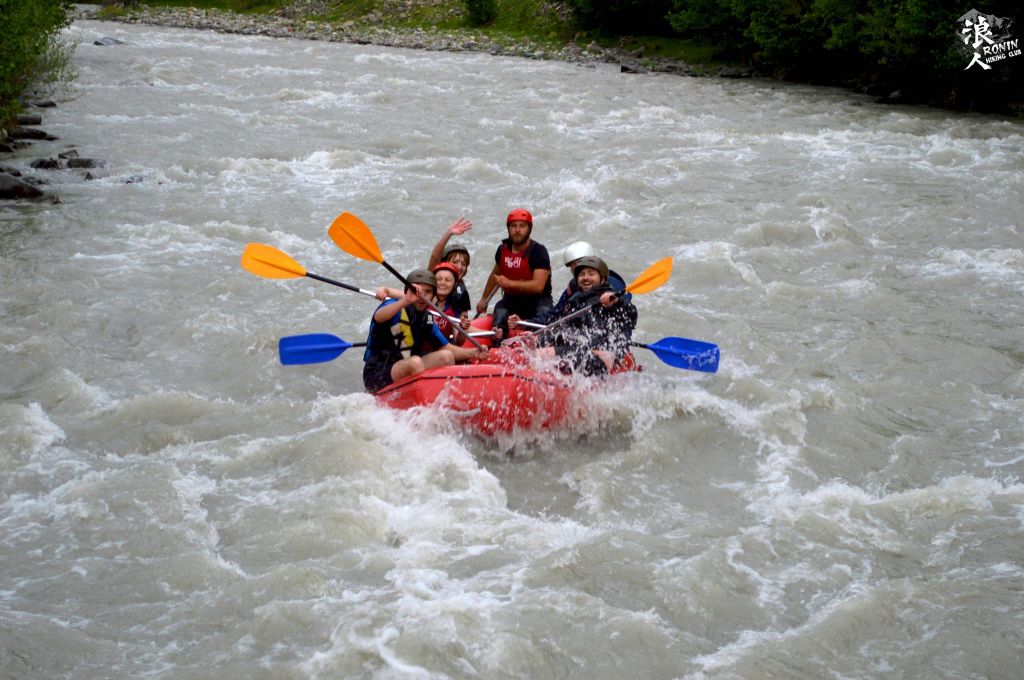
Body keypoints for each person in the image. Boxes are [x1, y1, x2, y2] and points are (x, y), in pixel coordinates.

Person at [363, 268, 486, 393]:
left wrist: (474, 352)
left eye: (428, 292)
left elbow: (446, 347)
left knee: (446, 356)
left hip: (409, 366)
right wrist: (405, 300)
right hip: (377, 372)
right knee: (415, 363)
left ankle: (440, 400)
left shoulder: (427, 317)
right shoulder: (394, 305)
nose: (422, 296)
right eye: (418, 291)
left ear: (433, 296)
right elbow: (379, 316)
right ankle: (421, 402)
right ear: (408, 292)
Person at [510, 256, 637, 376]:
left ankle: (537, 362)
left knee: (546, 353)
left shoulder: (610, 298)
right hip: (578, 347)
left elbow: (630, 315)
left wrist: (616, 302)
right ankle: (536, 360)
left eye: (591, 274)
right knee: (547, 337)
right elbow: (554, 319)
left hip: (599, 356)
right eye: (582, 274)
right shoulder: (574, 300)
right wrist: (526, 324)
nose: (586, 277)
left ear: (602, 279)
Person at [475, 208, 553, 343]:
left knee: (545, 314)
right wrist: (483, 299)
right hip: (512, 300)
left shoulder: (539, 252)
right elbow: (495, 274)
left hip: (537, 301)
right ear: (508, 228)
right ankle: (498, 346)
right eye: (513, 226)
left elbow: (538, 286)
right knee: (499, 312)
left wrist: (509, 283)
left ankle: (538, 343)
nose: (517, 230)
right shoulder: (502, 250)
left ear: (529, 229)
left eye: (522, 226)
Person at [537, 240, 630, 324]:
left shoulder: (613, 283)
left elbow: (628, 311)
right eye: (573, 265)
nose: (578, 267)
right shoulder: (575, 284)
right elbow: (556, 312)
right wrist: (528, 323)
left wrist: (616, 300)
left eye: (591, 273)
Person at [427, 218, 473, 315]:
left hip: (450, 328)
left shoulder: (462, 292)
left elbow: (464, 318)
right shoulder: (433, 279)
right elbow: (435, 256)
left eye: (464, 264)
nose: (460, 267)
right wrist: (449, 233)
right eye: (455, 262)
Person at [430, 261, 471, 342]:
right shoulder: (422, 300)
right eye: (438, 279)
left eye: (447, 280)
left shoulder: (453, 309)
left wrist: (462, 330)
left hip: (443, 350)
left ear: (454, 285)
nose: (442, 283)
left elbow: (458, 341)